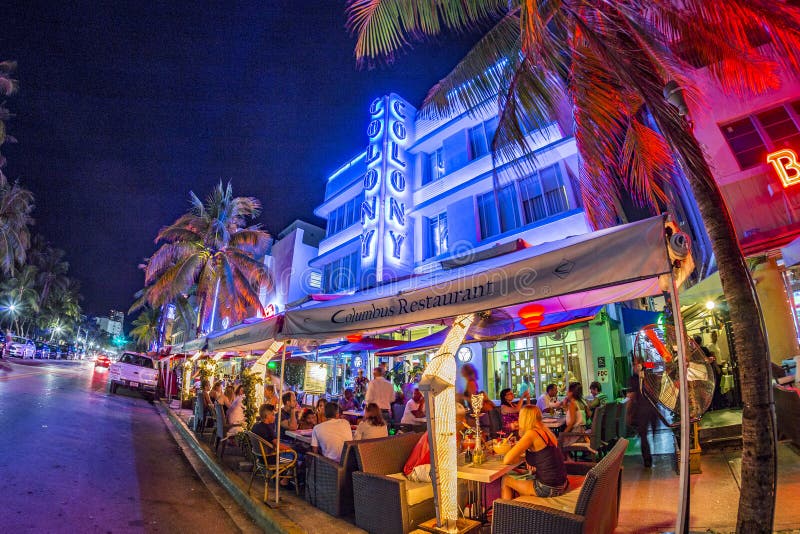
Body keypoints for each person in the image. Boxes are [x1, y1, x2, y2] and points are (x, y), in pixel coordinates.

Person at [501, 405, 569, 499]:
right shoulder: (545, 430)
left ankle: (505, 513)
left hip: (549, 488)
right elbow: (544, 456)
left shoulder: (532, 433)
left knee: (505, 479)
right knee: (521, 473)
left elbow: (507, 460)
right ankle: (521, 509)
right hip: (561, 483)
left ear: (524, 418)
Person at [628, 357, 659, 468]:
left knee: (651, 433)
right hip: (641, 410)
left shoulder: (650, 376)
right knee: (643, 435)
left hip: (651, 408)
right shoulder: (633, 379)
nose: (634, 367)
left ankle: (653, 454)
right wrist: (630, 413)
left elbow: (655, 391)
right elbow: (631, 396)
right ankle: (647, 459)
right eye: (633, 365)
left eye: (636, 364)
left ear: (642, 364)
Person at [563, 382, 594, 452]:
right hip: (583, 431)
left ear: (571, 393)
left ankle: (568, 459)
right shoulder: (582, 401)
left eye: (568, 391)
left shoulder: (573, 404)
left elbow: (572, 422)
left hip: (576, 433)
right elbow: (589, 415)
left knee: (559, 441)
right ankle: (568, 458)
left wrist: (563, 434)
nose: (567, 393)